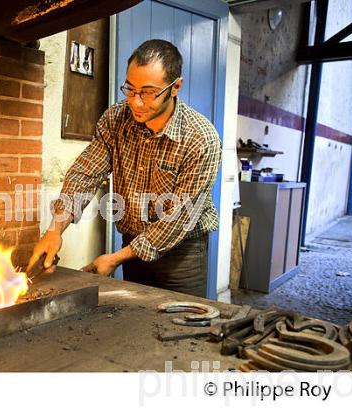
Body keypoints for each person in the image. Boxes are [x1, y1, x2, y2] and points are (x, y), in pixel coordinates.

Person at [28, 39, 222, 297]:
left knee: (182, 328)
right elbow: (86, 173)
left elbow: (177, 221)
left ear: (175, 87)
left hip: (181, 254)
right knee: (136, 323)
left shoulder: (201, 139)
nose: (136, 103)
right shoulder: (116, 119)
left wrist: (115, 258)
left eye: (149, 92)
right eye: (130, 89)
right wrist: (55, 228)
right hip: (132, 245)